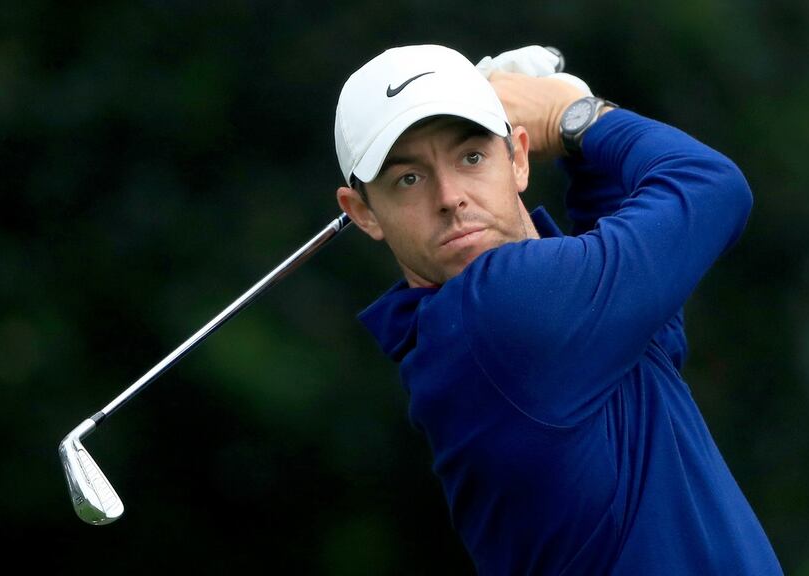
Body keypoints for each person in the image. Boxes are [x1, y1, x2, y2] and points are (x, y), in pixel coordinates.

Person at [332, 44, 782, 575]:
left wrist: (577, 131)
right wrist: (573, 116)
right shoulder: (497, 311)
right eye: (408, 178)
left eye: (471, 156)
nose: (450, 196)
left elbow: (656, 324)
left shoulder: (490, 331)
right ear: (363, 213)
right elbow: (711, 186)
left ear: (518, 158)